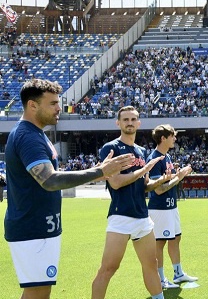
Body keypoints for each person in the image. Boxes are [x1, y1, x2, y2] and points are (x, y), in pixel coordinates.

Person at [4, 79, 132, 299]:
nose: (59, 108)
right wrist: (100, 171)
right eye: (53, 103)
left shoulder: (35, 133)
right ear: (32, 105)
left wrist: (98, 171)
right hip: (32, 228)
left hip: (40, 227)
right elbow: (49, 180)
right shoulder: (28, 136)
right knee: (37, 292)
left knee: (39, 291)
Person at [92, 106, 173, 299]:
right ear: (118, 123)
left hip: (142, 217)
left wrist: (160, 181)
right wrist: (143, 170)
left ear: (139, 123)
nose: (130, 123)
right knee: (109, 268)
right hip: (121, 215)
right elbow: (116, 182)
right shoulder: (110, 148)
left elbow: (144, 186)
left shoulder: (141, 151)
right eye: (125, 119)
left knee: (151, 265)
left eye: (133, 119)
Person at [146, 124, 197, 289]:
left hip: (171, 207)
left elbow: (167, 181)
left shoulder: (166, 156)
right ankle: (160, 279)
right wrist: (179, 177)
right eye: (172, 136)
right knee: (160, 243)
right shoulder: (155, 159)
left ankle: (178, 273)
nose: (175, 139)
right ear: (163, 138)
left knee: (175, 238)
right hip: (159, 209)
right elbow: (158, 189)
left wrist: (177, 174)